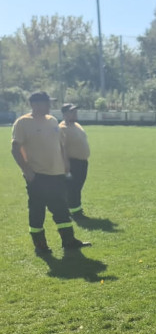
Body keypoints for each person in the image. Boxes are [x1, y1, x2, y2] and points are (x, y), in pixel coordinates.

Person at [11, 91, 90, 255]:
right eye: (47, 103)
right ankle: (40, 245)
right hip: (38, 176)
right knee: (37, 211)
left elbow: (60, 144)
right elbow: (15, 149)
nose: (50, 106)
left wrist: (65, 162)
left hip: (57, 175)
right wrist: (27, 171)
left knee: (61, 209)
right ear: (35, 104)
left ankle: (69, 241)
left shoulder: (52, 120)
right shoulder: (23, 122)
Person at [60, 103, 90, 220]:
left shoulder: (76, 125)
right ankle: (75, 212)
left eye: (75, 111)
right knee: (73, 188)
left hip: (82, 162)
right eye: (72, 112)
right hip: (72, 163)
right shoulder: (62, 128)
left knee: (77, 187)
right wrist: (66, 164)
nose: (75, 113)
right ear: (65, 114)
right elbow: (61, 148)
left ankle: (74, 209)